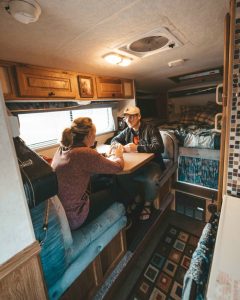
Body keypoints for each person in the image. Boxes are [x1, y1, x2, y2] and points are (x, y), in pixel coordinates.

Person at [51, 117, 124, 230]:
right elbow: (118, 167)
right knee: (116, 187)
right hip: (75, 216)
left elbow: (85, 163)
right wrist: (118, 155)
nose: (95, 138)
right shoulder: (84, 153)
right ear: (89, 134)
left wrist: (103, 157)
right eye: (94, 134)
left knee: (102, 180)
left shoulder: (62, 149)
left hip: (61, 214)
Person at [111, 106, 165, 221]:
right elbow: (113, 140)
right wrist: (118, 145)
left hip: (153, 163)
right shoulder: (127, 131)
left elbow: (159, 147)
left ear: (139, 116)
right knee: (121, 176)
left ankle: (148, 203)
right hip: (137, 164)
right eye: (126, 117)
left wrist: (137, 148)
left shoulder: (151, 129)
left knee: (150, 180)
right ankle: (137, 196)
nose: (128, 120)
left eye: (132, 117)